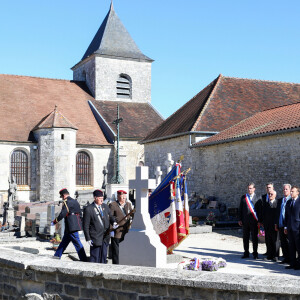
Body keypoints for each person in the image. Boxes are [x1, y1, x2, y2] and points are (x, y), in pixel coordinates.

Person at [52, 188, 87, 261]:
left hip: (71, 225)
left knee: (77, 242)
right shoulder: (75, 201)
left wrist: (55, 221)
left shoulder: (66, 202)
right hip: (73, 224)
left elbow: (63, 213)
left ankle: (83, 258)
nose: (62, 198)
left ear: (64, 195)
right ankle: (57, 255)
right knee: (64, 242)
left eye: (61, 196)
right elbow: (80, 213)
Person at [83, 189, 115, 263]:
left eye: (102, 198)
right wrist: (88, 238)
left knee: (103, 256)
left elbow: (111, 216)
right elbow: (86, 225)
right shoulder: (89, 209)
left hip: (105, 236)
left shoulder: (105, 206)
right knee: (95, 257)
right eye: (100, 198)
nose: (101, 200)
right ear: (95, 198)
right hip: (95, 237)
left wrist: (114, 223)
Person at [109, 190, 134, 264]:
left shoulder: (128, 204)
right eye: (122, 196)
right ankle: (116, 264)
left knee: (125, 249)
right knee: (116, 250)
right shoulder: (113, 205)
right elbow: (110, 217)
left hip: (126, 231)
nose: (124, 198)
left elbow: (132, 214)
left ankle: (124, 262)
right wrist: (111, 230)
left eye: (125, 196)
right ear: (118, 196)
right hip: (117, 231)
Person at [238, 183, 261, 259]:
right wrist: (240, 219)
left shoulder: (258, 198)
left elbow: (260, 211)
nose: (249, 190)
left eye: (251, 188)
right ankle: (246, 252)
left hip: (254, 221)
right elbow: (240, 209)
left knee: (254, 238)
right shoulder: (244, 197)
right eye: (248, 188)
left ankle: (255, 253)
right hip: (245, 221)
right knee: (245, 238)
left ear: (254, 189)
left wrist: (260, 221)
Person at [284, 186, 300, 270]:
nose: (291, 193)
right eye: (291, 191)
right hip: (290, 228)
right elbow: (286, 216)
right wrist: (286, 226)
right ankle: (292, 263)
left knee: (298, 247)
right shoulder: (289, 202)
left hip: (297, 228)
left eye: (293, 191)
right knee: (291, 247)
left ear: (298, 192)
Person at [275, 184, 291, 264]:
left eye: (286, 189)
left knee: (289, 243)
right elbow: (277, 213)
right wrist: (276, 224)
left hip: (288, 226)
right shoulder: (280, 200)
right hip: (281, 225)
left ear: (290, 190)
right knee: (283, 243)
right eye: (284, 189)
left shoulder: (291, 200)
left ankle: (292, 259)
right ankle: (286, 257)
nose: (285, 191)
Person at [262, 190, 279, 261]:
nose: (270, 195)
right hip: (267, 226)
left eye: (272, 194)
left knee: (275, 241)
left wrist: (276, 224)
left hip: (274, 226)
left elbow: (277, 215)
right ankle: (270, 255)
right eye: (269, 194)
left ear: (275, 195)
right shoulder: (266, 204)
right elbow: (264, 214)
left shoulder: (277, 203)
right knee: (268, 241)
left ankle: (276, 256)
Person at [261, 182, 275, 256]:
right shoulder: (263, 197)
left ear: (273, 188)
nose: (268, 189)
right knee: (267, 237)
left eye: (269, 187)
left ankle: (274, 253)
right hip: (266, 221)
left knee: (274, 238)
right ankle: (268, 251)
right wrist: (261, 221)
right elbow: (262, 210)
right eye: (267, 188)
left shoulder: (275, 197)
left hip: (273, 222)